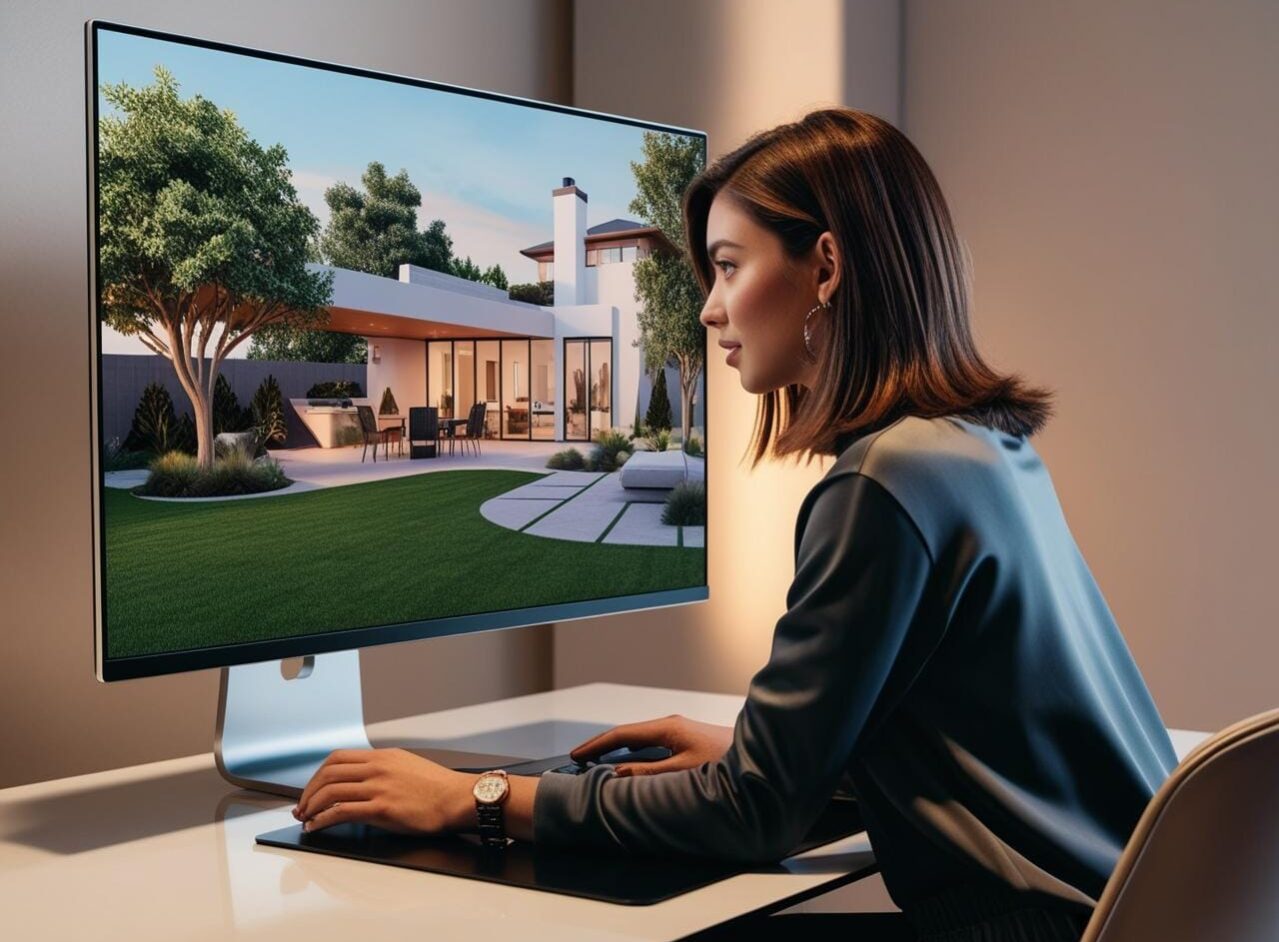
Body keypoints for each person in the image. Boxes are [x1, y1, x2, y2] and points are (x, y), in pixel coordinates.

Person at [293, 107, 1178, 942]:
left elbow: (755, 816)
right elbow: (968, 744)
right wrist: (767, 751)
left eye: (726, 265)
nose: (711, 307)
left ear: (824, 270)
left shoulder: (884, 480)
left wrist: (474, 797)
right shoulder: (978, 450)